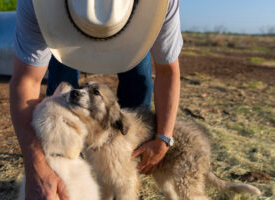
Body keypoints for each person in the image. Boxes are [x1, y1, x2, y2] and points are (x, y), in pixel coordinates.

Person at [10, 0, 183, 199]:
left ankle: (125, 166)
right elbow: (26, 81)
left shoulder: (161, 4)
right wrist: (37, 167)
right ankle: (59, 163)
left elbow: (167, 73)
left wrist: (163, 138)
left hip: (130, 28)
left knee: (139, 83)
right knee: (62, 86)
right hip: (66, 34)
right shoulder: (36, 4)